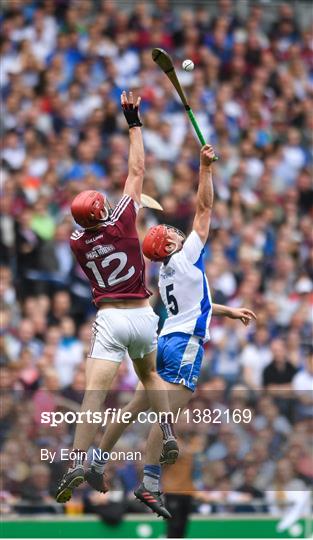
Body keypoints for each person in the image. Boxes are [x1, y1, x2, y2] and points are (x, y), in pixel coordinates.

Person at [85, 144, 256, 518]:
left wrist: (228, 312)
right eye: (173, 234)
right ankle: (148, 483)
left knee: (134, 407)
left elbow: (197, 306)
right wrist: (204, 167)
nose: (180, 234)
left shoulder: (165, 273)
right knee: (164, 420)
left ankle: (97, 461)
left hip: (164, 341)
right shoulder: (186, 256)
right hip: (184, 347)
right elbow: (205, 210)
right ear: (172, 245)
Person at [55, 91, 178, 511]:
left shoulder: (76, 241)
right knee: (150, 379)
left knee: (94, 396)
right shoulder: (125, 219)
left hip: (109, 318)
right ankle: (167, 428)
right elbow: (137, 169)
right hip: (142, 315)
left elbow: (89, 222)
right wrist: (133, 121)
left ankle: (76, 460)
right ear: (102, 211)